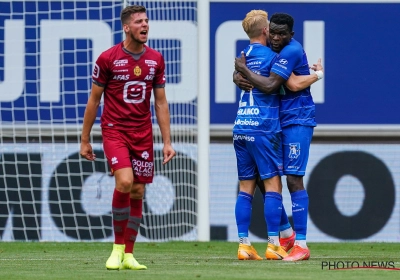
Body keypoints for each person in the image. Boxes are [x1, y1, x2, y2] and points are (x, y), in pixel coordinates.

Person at [80, 5, 176, 270]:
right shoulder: (107, 58)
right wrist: (85, 138)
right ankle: (116, 249)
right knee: (124, 181)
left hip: (143, 133)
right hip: (114, 130)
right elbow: (94, 99)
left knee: (138, 189)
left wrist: (167, 142)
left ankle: (130, 255)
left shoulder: (156, 59)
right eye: (138, 22)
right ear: (126, 27)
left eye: (146, 21)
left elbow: (160, 102)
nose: (145, 26)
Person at [233, 10, 323, 261]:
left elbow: (286, 85)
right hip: (275, 122)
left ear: (291, 35)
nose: (275, 37)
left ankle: (301, 245)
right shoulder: (271, 51)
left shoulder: (291, 50)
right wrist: (237, 75)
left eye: (281, 34)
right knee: (265, 179)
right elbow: (247, 70)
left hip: (297, 119)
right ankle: (285, 234)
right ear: (266, 30)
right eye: (272, 32)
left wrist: (318, 74)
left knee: (293, 180)